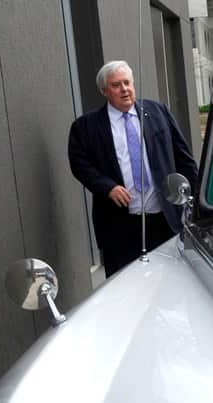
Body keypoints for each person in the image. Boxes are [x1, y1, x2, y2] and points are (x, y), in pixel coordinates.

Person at [68, 60, 198, 277]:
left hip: (165, 219)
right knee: (126, 289)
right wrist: (107, 187)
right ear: (104, 91)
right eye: (116, 85)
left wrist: (198, 201)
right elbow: (80, 164)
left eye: (127, 82)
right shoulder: (86, 126)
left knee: (171, 282)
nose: (124, 89)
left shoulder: (158, 112)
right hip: (120, 226)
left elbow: (183, 158)